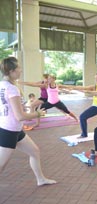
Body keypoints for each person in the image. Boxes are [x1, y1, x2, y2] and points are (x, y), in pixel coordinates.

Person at [0, 56, 56, 186]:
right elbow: (20, 116)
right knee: (1, 165)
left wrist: (23, 107)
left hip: (15, 129)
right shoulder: (12, 88)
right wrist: (37, 113)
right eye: (18, 68)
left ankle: (40, 179)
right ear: (11, 71)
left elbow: (7, 105)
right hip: (9, 131)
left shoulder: (2, 85)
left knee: (35, 151)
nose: (21, 70)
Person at [65, 73, 97, 138]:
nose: (96, 79)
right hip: (96, 107)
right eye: (95, 78)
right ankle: (84, 134)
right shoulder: (94, 87)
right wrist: (73, 88)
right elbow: (83, 88)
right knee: (82, 117)